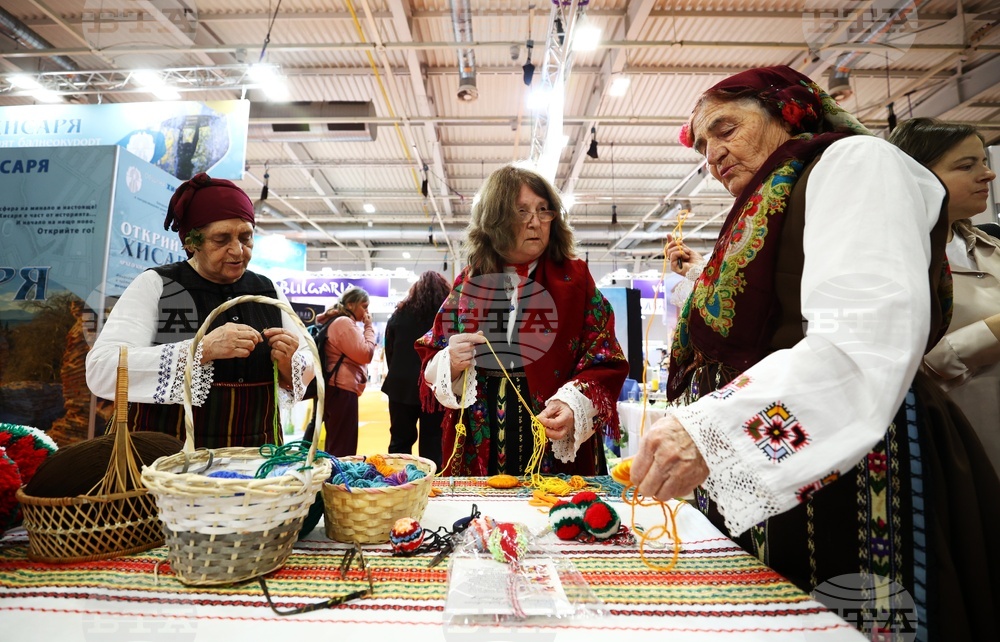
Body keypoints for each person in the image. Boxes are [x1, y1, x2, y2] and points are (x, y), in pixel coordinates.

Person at [629, 66, 999, 639]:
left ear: (790, 113)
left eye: (726, 129)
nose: (712, 154)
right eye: (702, 146)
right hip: (796, 461)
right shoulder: (774, 199)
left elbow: (864, 330)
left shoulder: (855, 163)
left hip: (852, 466)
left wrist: (715, 430)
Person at [415, 164, 629, 476]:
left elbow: (606, 358)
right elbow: (432, 354)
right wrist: (452, 362)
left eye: (543, 210)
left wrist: (573, 404)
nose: (536, 222)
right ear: (495, 218)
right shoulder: (468, 282)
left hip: (553, 444)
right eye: (522, 211)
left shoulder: (576, 280)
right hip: (479, 448)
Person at [85, 173, 313, 448]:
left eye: (246, 237)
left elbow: (307, 363)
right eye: (221, 239)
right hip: (167, 457)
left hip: (255, 458)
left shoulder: (267, 290)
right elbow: (102, 369)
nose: (238, 250)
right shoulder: (158, 284)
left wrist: (290, 364)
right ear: (192, 243)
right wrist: (201, 350)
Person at [889, 118, 1000, 475]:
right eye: (966, 166)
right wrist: (990, 333)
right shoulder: (897, 259)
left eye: (983, 162)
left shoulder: (991, 245)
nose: (988, 175)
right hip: (960, 448)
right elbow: (900, 371)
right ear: (917, 176)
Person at [382, 271, 452, 468]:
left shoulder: (398, 315)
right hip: (434, 388)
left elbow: (389, 350)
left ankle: (399, 481)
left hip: (400, 387)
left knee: (399, 441)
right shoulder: (446, 317)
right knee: (433, 441)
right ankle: (432, 483)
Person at [310, 287, 375, 457]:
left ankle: (333, 472)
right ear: (350, 304)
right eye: (364, 306)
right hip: (341, 389)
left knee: (337, 441)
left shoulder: (337, 321)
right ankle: (338, 474)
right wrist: (369, 327)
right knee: (343, 445)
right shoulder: (344, 323)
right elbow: (366, 353)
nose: (367, 311)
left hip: (336, 387)